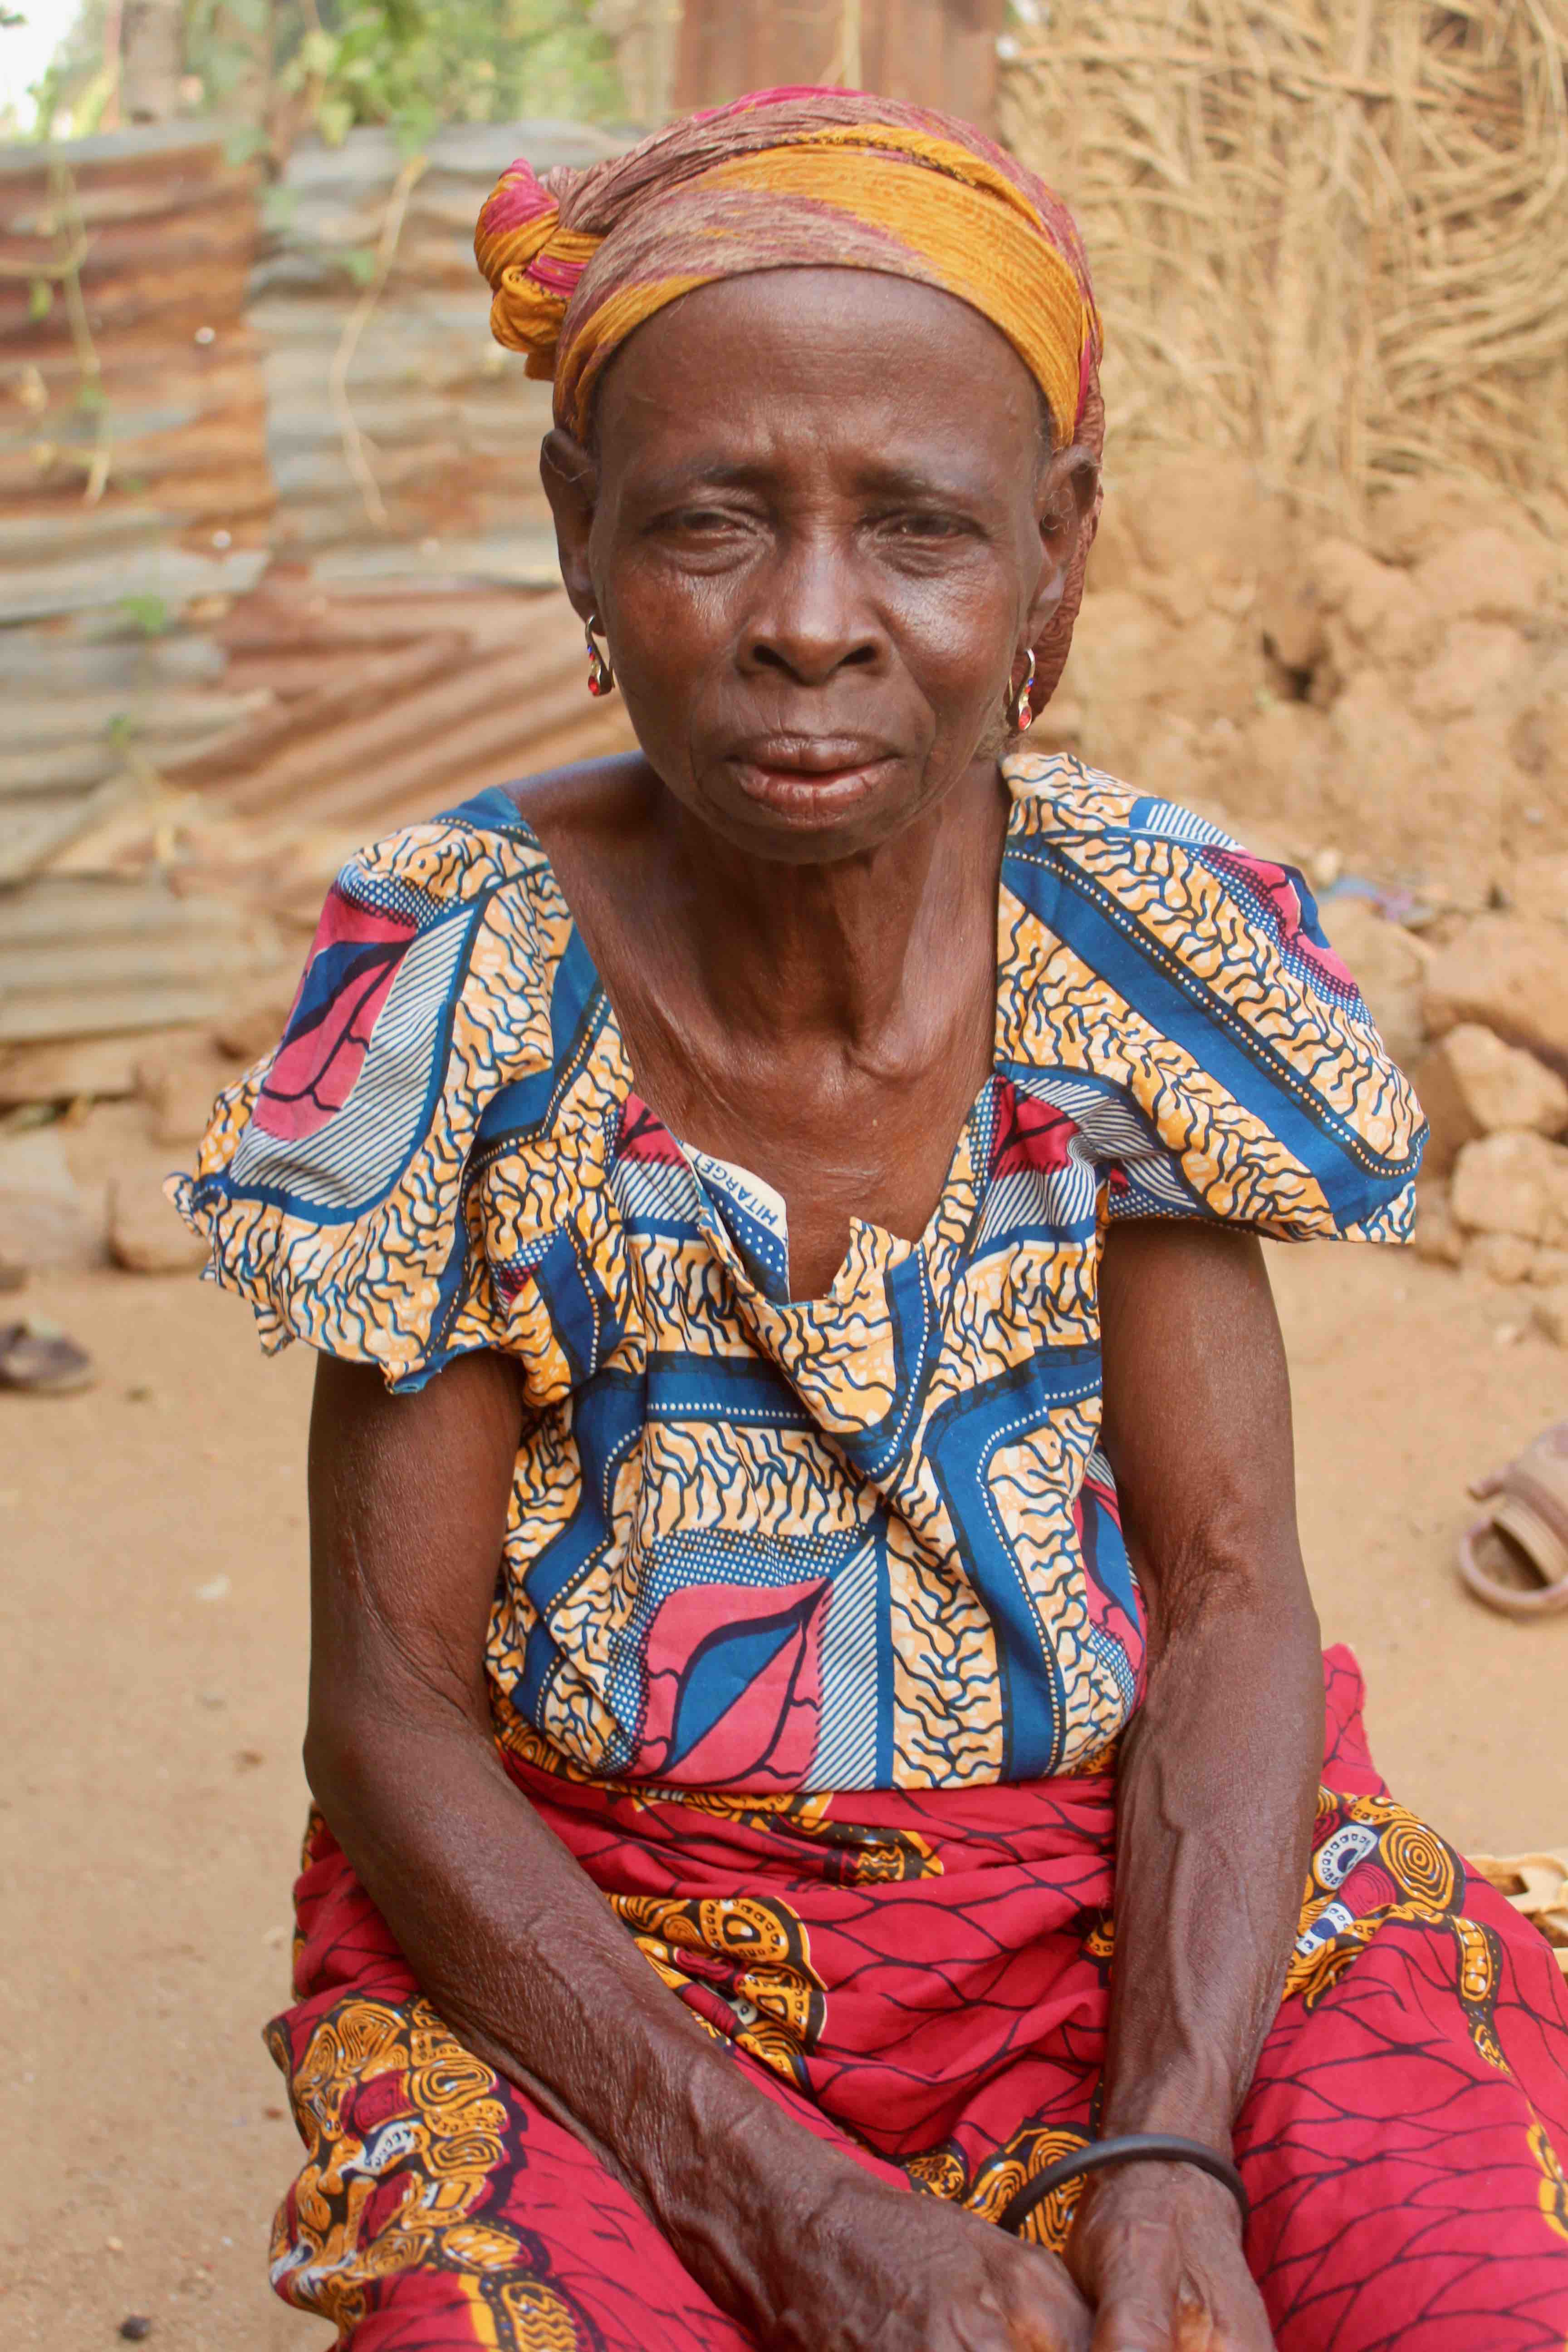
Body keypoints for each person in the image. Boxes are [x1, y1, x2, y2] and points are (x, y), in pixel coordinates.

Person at [176, 88, 1568, 2352]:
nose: (812, 623)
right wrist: (792, 2217)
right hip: (615, 1947)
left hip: (1125, 1907)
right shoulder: (466, 990)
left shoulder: (1127, 957)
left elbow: (1226, 1595)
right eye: (712, 523)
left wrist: (1173, 2145)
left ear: (1059, 555)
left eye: (920, 529)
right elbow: (394, 1724)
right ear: (575, 534)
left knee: (1474, 2289)